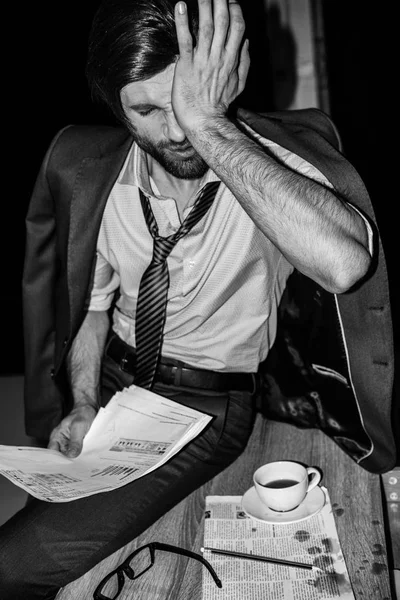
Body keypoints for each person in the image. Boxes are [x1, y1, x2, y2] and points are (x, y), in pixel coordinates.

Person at [0, 0, 396, 598]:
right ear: (118, 109)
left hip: (204, 405)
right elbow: (94, 307)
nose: (177, 130)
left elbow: (346, 265)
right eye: (149, 109)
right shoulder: (94, 173)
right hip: (114, 393)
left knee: (13, 564)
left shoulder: (270, 168)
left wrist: (212, 124)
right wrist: (84, 401)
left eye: (188, 101)